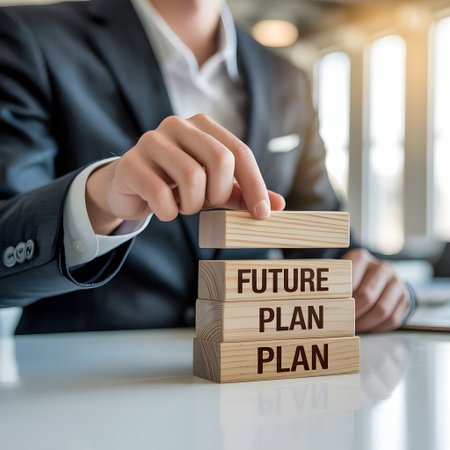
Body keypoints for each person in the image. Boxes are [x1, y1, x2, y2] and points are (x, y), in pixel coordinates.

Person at [0, 0, 413, 334]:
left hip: (251, 393)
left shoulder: (288, 78)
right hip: (76, 400)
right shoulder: (29, 36)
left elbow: (332, 248)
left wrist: (387, 289)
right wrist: (99, 199)